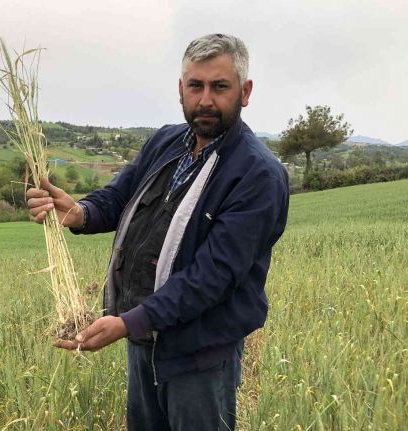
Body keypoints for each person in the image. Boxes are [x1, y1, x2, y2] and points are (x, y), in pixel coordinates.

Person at [26, 33, 289, 431]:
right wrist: (79, 212)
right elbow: (119, 197)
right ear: (180, 89)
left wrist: (127, 322)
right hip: (144, 341)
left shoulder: (257, 174)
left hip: (200, 356)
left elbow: (211, 278)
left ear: (245, 92)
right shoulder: (167, 142)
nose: (205, 100)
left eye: (220, 87)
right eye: (195, 86)